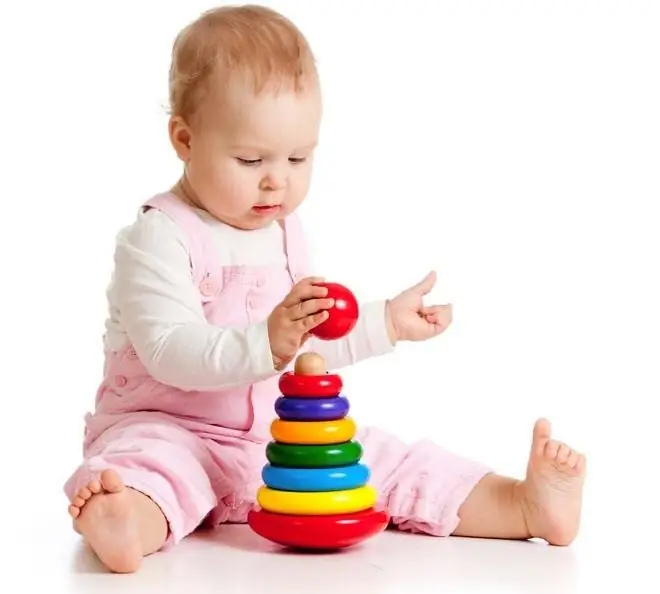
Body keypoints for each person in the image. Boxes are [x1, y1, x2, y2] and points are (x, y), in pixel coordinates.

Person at [63, 4, 586, 574]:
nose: (277, 179)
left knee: (384, 461)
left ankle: (523, 505)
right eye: (249, 158)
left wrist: (384, 322)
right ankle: (123, 519)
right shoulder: (158, 237)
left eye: (298, 157)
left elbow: (307, 344)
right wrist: (268, 341)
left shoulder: (285, 234)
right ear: (184, 139)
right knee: (156, 469)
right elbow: (169, 351)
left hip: (275, 435)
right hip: (175, 430)